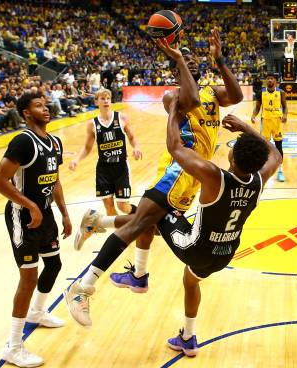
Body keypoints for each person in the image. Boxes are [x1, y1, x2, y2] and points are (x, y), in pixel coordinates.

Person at [66, 108, 281, 357]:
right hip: (223, 254)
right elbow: (275, 153)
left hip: (194, 247)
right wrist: (248, 129)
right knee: (191, 281)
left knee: (152, 213)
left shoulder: (215, 177)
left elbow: (175, 148)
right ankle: (188, 338)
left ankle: (101, 266)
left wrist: (173, 112)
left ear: (232, 159)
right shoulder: (259, 180)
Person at [64, 28, 243, 326]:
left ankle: (110, 238)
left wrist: (221, 61)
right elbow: (192, 100)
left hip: (192, 178)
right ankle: (82, 288)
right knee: (140, 223)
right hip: (175, 171)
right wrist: (179, 60)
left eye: (194, 58)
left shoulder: (212, 92)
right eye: (184, 59)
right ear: (176, 68)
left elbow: (235, 95)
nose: (192, 61)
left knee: (154, 225)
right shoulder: (173, 96)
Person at [0, 92, 71, 367]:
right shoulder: (23, 141)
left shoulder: (55, 142)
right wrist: (31, 206)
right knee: (28, 278)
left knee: (54, 265)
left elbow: (56, 180)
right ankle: (13, 347)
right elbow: (0, 182)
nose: (45, 108)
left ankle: (37, 312)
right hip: (22, 216)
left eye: (45, 104)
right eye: (38, 105)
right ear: (26, 113)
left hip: (46, 214)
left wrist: (64, 213)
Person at [69, 88, 142, 216]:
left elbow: (132, 138)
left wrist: (136, 147)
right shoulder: (92, 124)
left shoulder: (122, 118)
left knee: (123, 206)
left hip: (121, 167)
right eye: (102, 98)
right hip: (103, 169)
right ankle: (121, 235)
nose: (106, 101)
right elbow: (87, 148)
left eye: (108, 98)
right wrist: (77, 159)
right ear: (96, 102)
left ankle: (143, 220)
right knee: (109, 209)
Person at [251, 72, 287, 182]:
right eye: (267, 79)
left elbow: (285, 107)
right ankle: (262, 168)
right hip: (265, 121)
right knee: (263, 146)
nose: (269, 80)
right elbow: (257, 107)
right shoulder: (261, 92)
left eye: (271, 79)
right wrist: (253, 115)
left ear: (275, 81)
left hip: (277, 122)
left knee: (278, 146)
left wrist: (285, 115)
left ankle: (280, 170)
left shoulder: (281, 92)